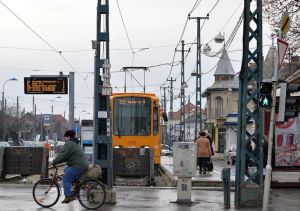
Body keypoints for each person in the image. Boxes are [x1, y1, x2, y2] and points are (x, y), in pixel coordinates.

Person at [52, 130, 89, 204]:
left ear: (68, 137)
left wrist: (54, 161)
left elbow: (63, 155)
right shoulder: (75, 143)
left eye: (65, 136)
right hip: (82, 164)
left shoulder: (69, 144)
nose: (64, 138)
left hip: (78, 165)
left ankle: (68, 196)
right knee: (66, 169)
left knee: (66, 178)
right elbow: (69, 156)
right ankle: (75, 188)